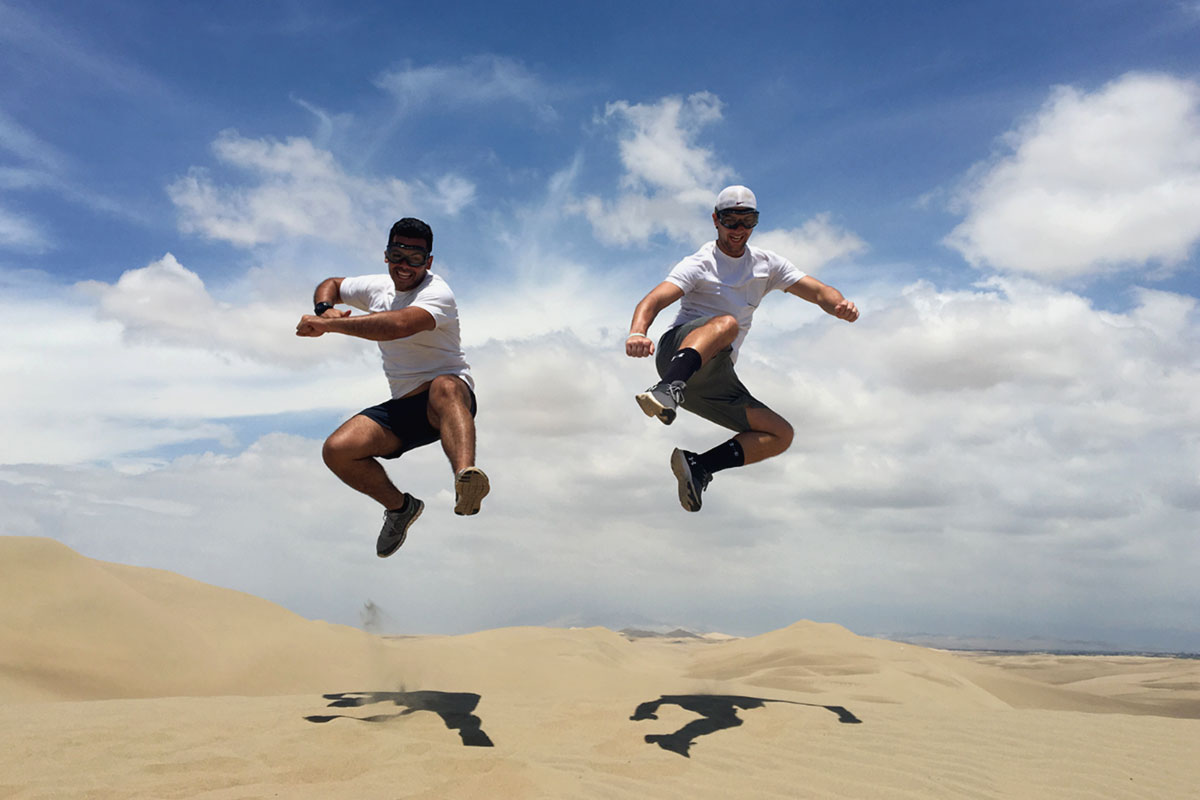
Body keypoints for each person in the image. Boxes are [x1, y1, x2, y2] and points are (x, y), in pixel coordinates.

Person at [625, 186, 859, 512]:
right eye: (730, 221)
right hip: (678, 353)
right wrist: (638, 332)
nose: (738, 230)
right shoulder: (700, 263)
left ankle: (700, 466)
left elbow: (818, 290)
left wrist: (838, 306)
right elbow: (653, 300)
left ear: (755, 222)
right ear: (715, 221)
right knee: (727, 324)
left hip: (714, 378)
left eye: (747, 221)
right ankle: (666, 389)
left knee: (780, 434)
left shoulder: (766, 265)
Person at [296, 217, 489, 557]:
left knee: (444, 385)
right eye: (397, 254)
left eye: (415, 258)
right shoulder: (375, 288)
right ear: (385, 255)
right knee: (337, 450)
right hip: (404, 407)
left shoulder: (437, 293)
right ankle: (400, 509)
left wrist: (332, 327)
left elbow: (397, 326)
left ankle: (465, 477)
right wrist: (325, 309)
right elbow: (332, 283)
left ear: (428, 262)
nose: (404, 265)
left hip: (447, 400)